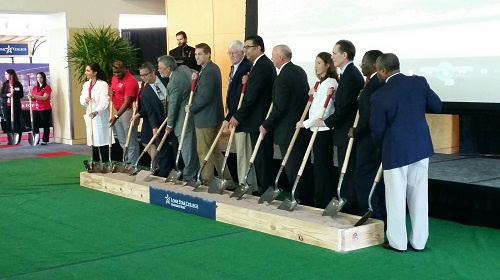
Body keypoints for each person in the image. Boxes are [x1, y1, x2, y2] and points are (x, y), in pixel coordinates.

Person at [371, 53, 442, 252]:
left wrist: (382, 149)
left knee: (395, 197)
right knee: (419, 195)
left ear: (383, 70)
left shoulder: (380, 95)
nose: (377, 75)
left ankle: (398, 242)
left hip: (395, 151)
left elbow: (377, 130)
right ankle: (419, 242)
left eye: (378, 71)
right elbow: (437, 105)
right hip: (421, 147)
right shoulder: (419, 83)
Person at [316, 39, 364, 214]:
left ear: (345, 55)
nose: (332, 56)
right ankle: (346, 202)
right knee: (345, 166)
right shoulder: (347, 74)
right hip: (343, 130)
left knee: (348, 168)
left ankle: (349, 205)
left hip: (347, 131)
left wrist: (327, 122)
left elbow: (345, 108)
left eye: (335, 53)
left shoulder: (351, 74)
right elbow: (344, 101)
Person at [261, 45, 313, 205]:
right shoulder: (300, 71)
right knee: (302, 168)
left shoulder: (282, 77)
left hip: (288, 130)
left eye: (273, 55)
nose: (271, 58)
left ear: (281, 58)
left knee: (292, 168)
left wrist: (266, 124)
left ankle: (298, 199)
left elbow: (280, 107)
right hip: (301, 128)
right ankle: (305, 199)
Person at [229, 35, 277, 194]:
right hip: (257, 119)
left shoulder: (263, 65)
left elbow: (252, 96)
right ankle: (265, 189)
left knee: (263, 159)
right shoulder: (258, 65)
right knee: (260, 158)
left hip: (260, 120)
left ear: (258, 48)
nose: (245, 50)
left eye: (248, 47)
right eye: (244, 47)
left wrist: (237, 115)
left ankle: (267, 191)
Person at [349, 50, 387, 220]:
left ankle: (369, 214)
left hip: (369, 141)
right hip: (380, 141)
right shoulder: (382, 84)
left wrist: (355, 132)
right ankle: (378, 215)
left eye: (363, 64)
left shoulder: (371, 87)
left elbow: (367, 118)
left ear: (372, 66)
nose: (361, 67)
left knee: (364, 177)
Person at [298, 52, 338, 208]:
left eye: (319, 63)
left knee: (322, 166)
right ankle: (320, 199)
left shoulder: (331, 82)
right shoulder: (320, 83)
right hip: (315, 128)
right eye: (315, 63)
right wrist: (313, 96)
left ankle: (324, 201)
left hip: (323, 130)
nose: (316, 66)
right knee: (319, 166)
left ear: (328, 65)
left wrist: (306, 123)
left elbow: (325, 110)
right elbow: (316, 107)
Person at [186, 43, 230, 184]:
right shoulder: (210, 69)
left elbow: (205, 97)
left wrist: (191, 108)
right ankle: (227, 181)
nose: (196, 57)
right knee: (215, 151)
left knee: (204, 151)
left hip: (206, 119)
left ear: (208, 54)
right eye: (195, 54)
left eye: (199, 54)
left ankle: (206, 181)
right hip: (213, 116)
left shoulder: (209, 71)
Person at [157, 55, 200, 185]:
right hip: (192, 116)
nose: (158, 70)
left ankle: (190, 177)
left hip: (183, 119)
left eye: (160, 68)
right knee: (191, 148)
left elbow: (173, 106)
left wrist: (169, 125)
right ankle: (194, 174)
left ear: (168, 69)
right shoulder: (184, 68)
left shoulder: (174, 82)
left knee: (187, 149)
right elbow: (195, 72)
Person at [224, 40, 254, 189]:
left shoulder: (246, 67)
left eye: (234, 53)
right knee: (241, 153)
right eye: (229, 53)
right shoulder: (234, 67)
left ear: (242, 52)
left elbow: (240, 97)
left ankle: (245, 184)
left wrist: (231, 117)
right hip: (235, 115)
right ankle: (246, 183)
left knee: (243, 153)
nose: (231, 56)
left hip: (242, 118)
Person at [138, 62, 174, 177]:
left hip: (174, 119)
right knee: (162, 149)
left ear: (153, 72)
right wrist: (154, 126)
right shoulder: (146, 91)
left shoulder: (166, 80)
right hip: (160, 122)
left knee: (177, 146)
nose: (143, 78)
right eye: (141, 76)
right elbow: (150, 111)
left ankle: (180, 172)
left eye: (145, 75)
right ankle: (164, 174)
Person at [79, 62, 113, 169]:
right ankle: (96, 162)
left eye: (88, 71)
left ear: (95, 72)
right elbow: (81, 99)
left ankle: (106, 162)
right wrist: (85, 100)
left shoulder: (103, 84)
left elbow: (105, 101)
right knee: (92, 139)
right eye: (86, 70)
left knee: (102, 139)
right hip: (90, 114)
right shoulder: (86, 85)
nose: (86, 73)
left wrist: (97, 111)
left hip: (100, 115)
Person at [109, 61, 140, 165]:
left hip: (128, 112)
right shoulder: (114, 78)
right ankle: (126, 162)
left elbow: (127, 103)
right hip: (118, 112)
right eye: (114, 72)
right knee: (122, 141)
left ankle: (133, 164)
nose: (116, 75)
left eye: (118, 72)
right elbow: (113, 89)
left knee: (130, 140)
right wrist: (110, 91)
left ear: (124, 69)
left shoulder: (130, 81)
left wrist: (116, 116)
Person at [1, 69, 24, 145]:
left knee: (16, 121)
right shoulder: (5, 84)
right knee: (8, 122)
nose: (6, 76)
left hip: (15, 105)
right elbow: (2, 94)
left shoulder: (18, 84)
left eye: (7, 74)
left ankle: (18, 138)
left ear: (11, 75)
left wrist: (13, 93)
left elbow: (21, 95)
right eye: (5, 74)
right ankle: (10, 139)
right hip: (6, 106)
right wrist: (7, 95)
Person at [29, 72, 52, 145]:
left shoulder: (47, 87)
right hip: (36, 108)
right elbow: (33, 99)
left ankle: (45, 140)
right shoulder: (35, 88)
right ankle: (36, 138)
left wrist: (34, 95)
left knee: (45, 124)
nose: (39, 79)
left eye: (41, 77)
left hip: (45, 108)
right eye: (38, 77)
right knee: (35, 124)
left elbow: (44, 97)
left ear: (44, 78)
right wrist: (31, 97)